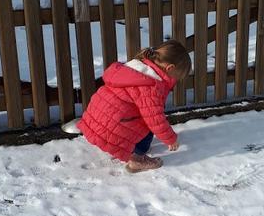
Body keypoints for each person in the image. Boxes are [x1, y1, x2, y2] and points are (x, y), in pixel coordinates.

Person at [62, 40, 191, 173]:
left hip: (95, 120)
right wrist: (171, 139)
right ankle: (137, 159)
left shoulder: (135, 67)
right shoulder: (151, 86)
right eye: (176, 78)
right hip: (113, 128)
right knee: (147, 123)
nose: (174, 82)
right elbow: (155, 120)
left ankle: (100, 132)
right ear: (169, 68)